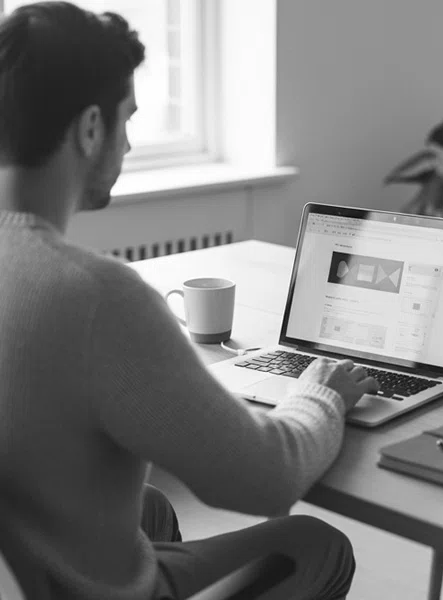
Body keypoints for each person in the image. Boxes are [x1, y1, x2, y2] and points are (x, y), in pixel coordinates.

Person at [0, 4, 374, 599]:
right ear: (90, 127)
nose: (126, 143)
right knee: (315, 543)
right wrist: (320, 393)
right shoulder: (98, 295)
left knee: (146, 509)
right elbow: (265, 478)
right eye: (127, 121)